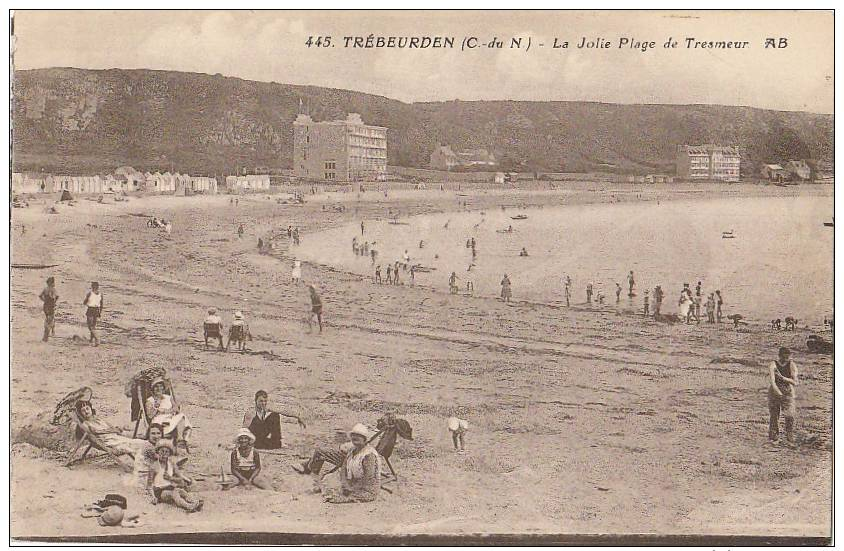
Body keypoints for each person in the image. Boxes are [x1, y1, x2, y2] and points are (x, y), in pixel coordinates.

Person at [70, 400, 149, 471]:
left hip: (115, 437)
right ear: (81, 414)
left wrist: (116, 429)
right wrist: (78, 420)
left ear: (91, 408)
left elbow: (111, 427)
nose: (86, 411)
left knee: (139, 443)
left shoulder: (99, 419)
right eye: (83, 411)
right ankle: (142, 465)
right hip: (108, 442)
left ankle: (144, 463)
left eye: (87, 408)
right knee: (131, 445)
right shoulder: (86, 424)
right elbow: (93, 433)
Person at [324, 424, 381, 504]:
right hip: (352, 483)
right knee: (329, 480)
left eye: (358, 436)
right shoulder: (352, 450)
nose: (355, 437)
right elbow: (344, 468)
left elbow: (368, 477)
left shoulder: (369, 454)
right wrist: (345, 483)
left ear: (364, 439)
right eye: (353, 435)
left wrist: (352, 488)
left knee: (344, 495)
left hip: (366, 487)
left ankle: (345, 498)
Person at [147, 440, 202, 512]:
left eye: (166, 452)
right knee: (174, 494)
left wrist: (171, 478)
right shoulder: (154, 466)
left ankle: (194, 502)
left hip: (170, 487)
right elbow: (149, 485)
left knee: (181, 491)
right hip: (159, 491)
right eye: (162, 451)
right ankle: (189, 506)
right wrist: (153, 497)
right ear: (157, 452)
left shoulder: (172, 464)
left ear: (169, 454)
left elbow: (180, 479)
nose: (164, 454)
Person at [146, 378, 192, 451]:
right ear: (153, 389)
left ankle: (182, 439)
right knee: (180, 420)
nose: (159, 388)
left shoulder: (168, 398)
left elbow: (176, 409)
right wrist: (157, 407)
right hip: (159, 421)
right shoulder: (150, 400)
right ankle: (180, 440)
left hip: (171, 418)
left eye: (160, 386)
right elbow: (150, 416)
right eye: (156, 387)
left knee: (182, 416)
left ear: (163, 388)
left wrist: (167, 411)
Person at [768, 347, 799, 444]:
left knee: (790, 415)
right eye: (784, 357)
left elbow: (795, 382)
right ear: (779, 356)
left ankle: (789, 436)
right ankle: (774, 437)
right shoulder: (773, 364)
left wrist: (783, 378)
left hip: (788, 391)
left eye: (787, 357)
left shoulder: (792, 364)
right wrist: (777, 392)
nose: (786, 359)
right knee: (774, 414)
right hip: (774, 392)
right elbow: (772, 381)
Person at [82, 282, 103, 346]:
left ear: (92, 287)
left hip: (90, 310)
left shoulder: (90, 293)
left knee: (90, 326)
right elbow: (101, 304)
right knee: (93, 325)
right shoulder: (100, 294)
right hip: (97, 310)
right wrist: (100, 312)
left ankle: (96, 338)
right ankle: (91, 339)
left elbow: (84, 302)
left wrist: (87, 302)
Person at [39, 276, 59, 342]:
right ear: (51, 283)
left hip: (45, 306)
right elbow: (56, 297)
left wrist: (44, 300)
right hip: (51, 306)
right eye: (53, 282)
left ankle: (48, 334)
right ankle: (47, 335)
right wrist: (54, 302)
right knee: (50, 319)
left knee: (48, 318)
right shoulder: (53, 289)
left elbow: (40, 296)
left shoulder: (45, 289)